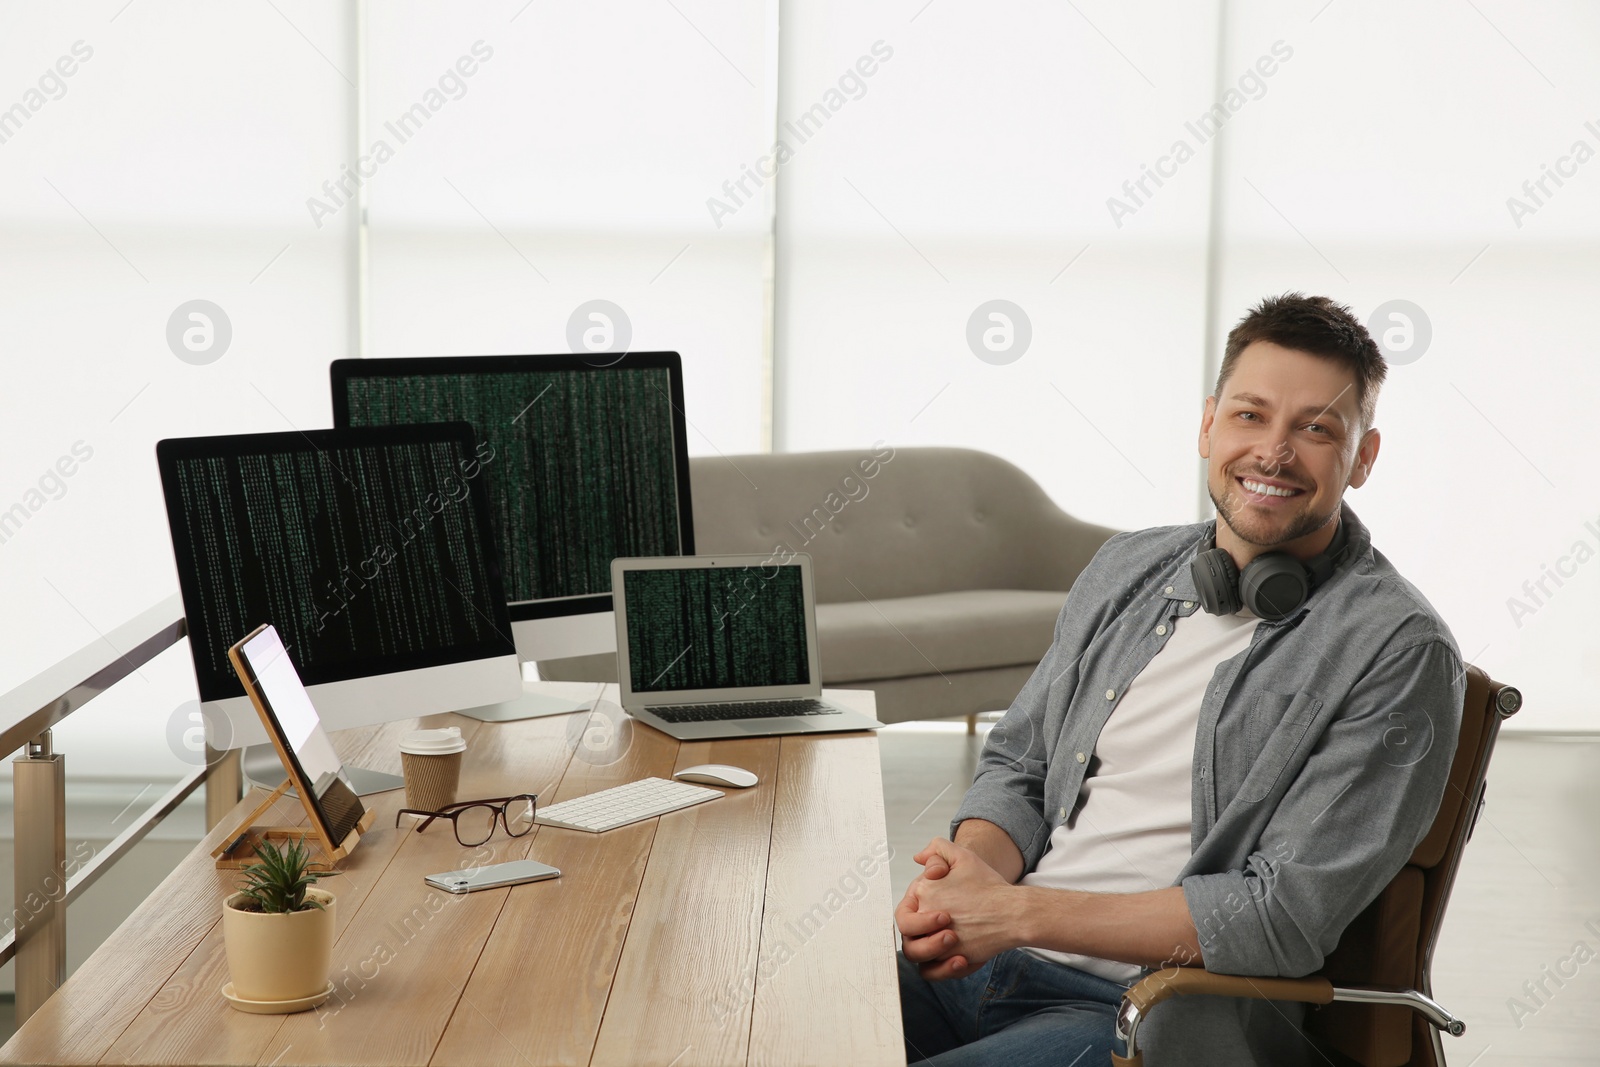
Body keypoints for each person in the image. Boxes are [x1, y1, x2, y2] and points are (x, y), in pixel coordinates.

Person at [895, 293, 1464, 1066]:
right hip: (982, 960)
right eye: (1250, 415)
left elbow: (1279, 915)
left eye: (1317, 428)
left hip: (1144, 1013)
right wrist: (968, 883)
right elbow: (1020, 765)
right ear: (1208, 425)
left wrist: (1015, 912)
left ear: (1363, 457)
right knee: (755, 1019)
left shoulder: (1396, 648)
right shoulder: (1126, 567)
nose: (1273, 452)